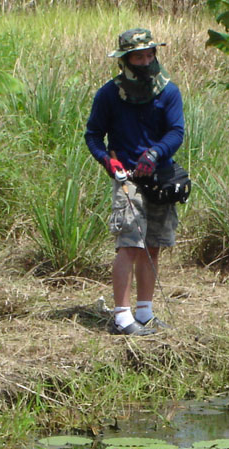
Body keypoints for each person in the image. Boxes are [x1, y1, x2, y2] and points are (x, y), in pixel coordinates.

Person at [85, 28, 185, 335]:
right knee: (128, 244)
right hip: (126, 179)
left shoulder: (168, 91)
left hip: (160, 177)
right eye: (138, 57)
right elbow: (93, 135)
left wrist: (155, 153)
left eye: (149, 55)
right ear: (125, 60)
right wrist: (107, 160)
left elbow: (176, 131)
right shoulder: (109, 94)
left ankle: (145, 312)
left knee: (152, 246)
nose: (145, 61)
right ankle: (122, 316)